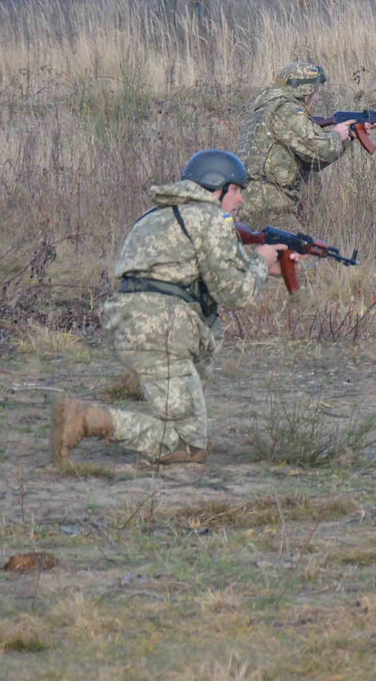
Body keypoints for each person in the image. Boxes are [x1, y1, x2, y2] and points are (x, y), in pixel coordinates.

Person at [52, 150, 282, 468]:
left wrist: (263, 265)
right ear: (217, 188)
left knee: (182, 431)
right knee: (187, 448)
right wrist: (260, 262)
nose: (240, 201)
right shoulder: (212, 218)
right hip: (163, 332)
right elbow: (235, 295)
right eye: (237, 190)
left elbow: (196, 270)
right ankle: (88, 420)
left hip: (133, 326)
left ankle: (111, 427)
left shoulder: (156, 215)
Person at [234, 61, 354, 229]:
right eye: (315, 91)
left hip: (252, 203)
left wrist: (348, 137)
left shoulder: (265, 109)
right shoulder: (287, 110)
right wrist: (336, 135)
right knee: (303, 254)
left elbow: (313, 161)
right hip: (269, 205)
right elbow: (323, 150)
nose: (316, 97)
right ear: (305, 92)